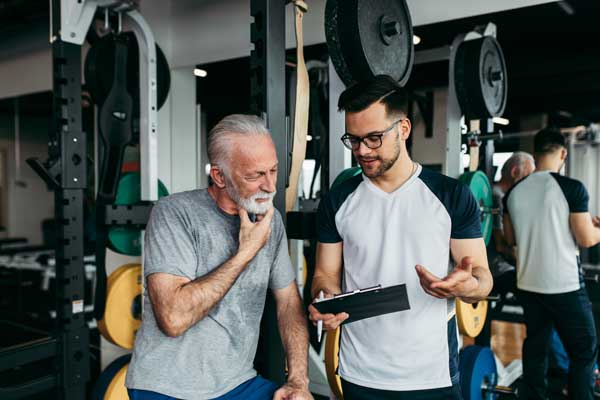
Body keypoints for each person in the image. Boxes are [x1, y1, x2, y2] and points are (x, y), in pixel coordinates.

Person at [308, 75, 492, 399]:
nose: (362, 150)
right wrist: (326, 299)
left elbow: (482, 277)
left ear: (403, 129)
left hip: (431, 374)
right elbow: (325, 274)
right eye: (352, 139)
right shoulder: (337, 201)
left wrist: (468, 287)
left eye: (374, 138)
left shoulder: (451, 196)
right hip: (359, 372)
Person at [125, 114, 313, 400]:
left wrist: (299, 380)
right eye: (255, 175)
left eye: (273, 171)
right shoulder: (174, 213)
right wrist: (246, 252)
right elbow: (173, 319)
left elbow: (288, 301)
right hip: (167, 387)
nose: (270, 186)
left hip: (238, 383)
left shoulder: (269, 222)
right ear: (219, 176)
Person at [503, 127, 600, 400]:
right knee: (584, 349)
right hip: (564, 285)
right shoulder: (571, 187)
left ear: (535, 153)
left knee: (536, 345)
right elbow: (586, 238)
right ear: (563, 153)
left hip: (528, 284)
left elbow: (512, 239)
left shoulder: (515, 192)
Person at [488, 152, 535, 295]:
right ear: (514, 172)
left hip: (503, 262)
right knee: (532, 289)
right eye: (527, 176)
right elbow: (501, 245)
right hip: (494, 265)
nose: (529, 183)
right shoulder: (497, 197)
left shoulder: (507, 198)